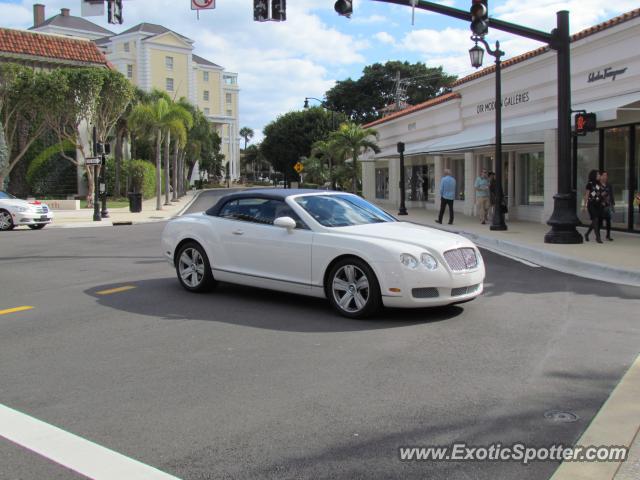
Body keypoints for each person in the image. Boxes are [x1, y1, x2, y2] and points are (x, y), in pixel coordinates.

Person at [582, 169, 604, 243]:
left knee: (596, 221)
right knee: (595, 220)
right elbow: (587, 195)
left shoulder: (599, 184)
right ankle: (598, 237)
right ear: (594, 175)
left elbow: (598, 194)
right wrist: (584, 206)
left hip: (598, 204)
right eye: (598, 175)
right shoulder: (590, 184)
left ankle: (587, 234)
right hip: (591, 204)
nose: (599, 176)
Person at [599, 170, 614, 241]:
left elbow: (611, 195)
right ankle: (596, 235)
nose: (605, 177)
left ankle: (608, 235)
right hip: (600, 206)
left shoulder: (609, 185)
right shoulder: (597, 185)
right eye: (604, 175)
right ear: (601, 176)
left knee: (608, 221)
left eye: (606, 175)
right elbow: (593, 195)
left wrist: (612, 204)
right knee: (599, 221)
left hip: (607, 205)